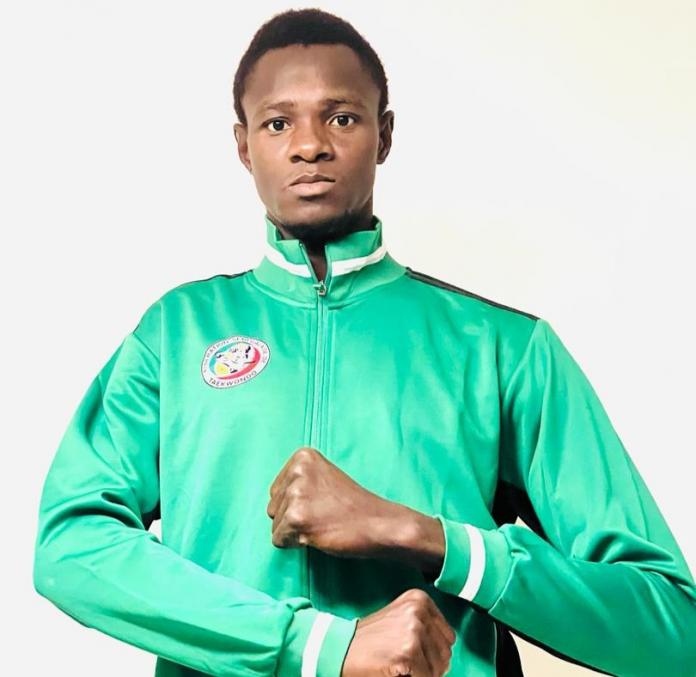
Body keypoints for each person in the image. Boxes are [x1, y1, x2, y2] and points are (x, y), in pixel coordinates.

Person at [32, 8, 696, 677]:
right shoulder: (175, 334)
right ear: (243, 146)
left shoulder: (504, 348)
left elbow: (674, 628)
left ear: (384, 135)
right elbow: (70, 545)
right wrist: (317, 645)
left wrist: (424, 536)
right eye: (278, 122)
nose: (309, 145)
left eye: (341, 117)